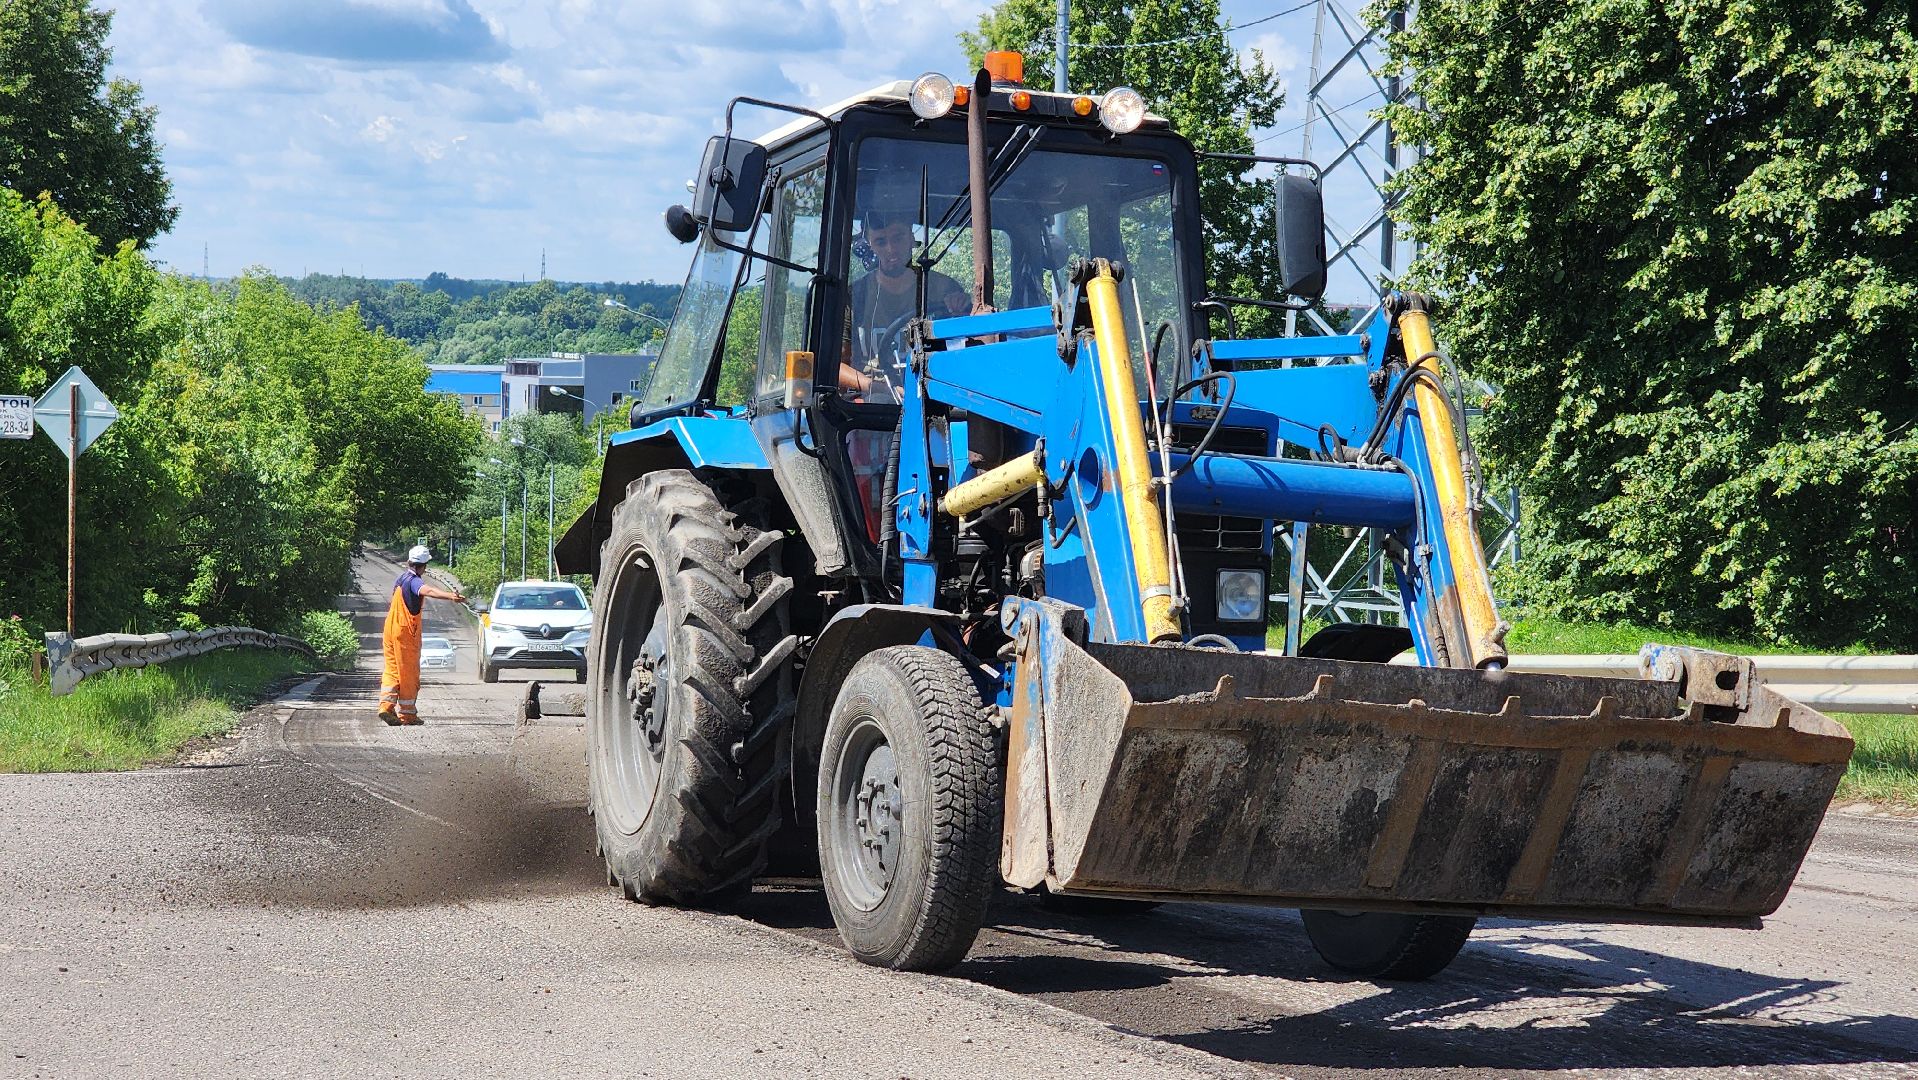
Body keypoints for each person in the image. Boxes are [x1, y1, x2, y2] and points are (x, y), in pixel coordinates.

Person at [378, 545, 465, 727]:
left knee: (392, 670)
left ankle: (386, 707)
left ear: (409, 561)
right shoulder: (414, 581)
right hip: (405, 632)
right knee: (408, 674)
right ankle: (407, 715)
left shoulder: (401, 579)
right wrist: (451, 596)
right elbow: (429, 591)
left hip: (390, 630)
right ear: (423, 565)